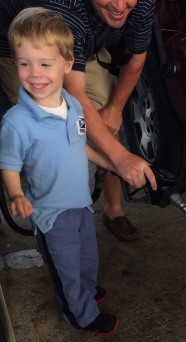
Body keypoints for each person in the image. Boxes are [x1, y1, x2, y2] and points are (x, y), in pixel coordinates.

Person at [0, 7, 120, 334]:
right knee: (64, 268)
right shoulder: (16, 122)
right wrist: (15, 193)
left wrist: (111, 163)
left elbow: (80, 146)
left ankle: (85, 289)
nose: (34, 73)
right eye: (24, 64)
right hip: (51, 214)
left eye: (44, 64)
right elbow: (9, 164)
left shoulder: (74, 104)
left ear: (68, 65)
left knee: (87, 258)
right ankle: (79, 313)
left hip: (80, 203)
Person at [0, 0, 157, 241]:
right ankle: (51, 215)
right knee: (49, 122)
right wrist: (121, 157)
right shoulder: (66, 6)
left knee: (103, 114)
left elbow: (136, 59)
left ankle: (113, 209)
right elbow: (75, 95)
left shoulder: (142, 3)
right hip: (23, 49)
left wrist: (114, 110)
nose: (119, 4)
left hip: (81, 44)